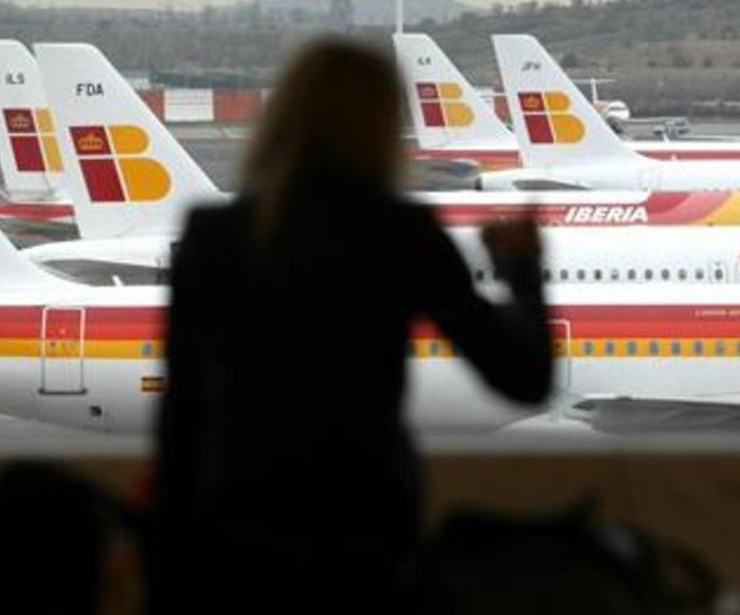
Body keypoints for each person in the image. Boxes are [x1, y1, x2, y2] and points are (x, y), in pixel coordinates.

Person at [150, 38, 552, 614]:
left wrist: (168, 550)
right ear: (385, 122)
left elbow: (182, 411)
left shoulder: (215, 232)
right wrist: (522, 271)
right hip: (367, 522)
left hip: (238, 519)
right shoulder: (404, 233)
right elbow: (524, 379)